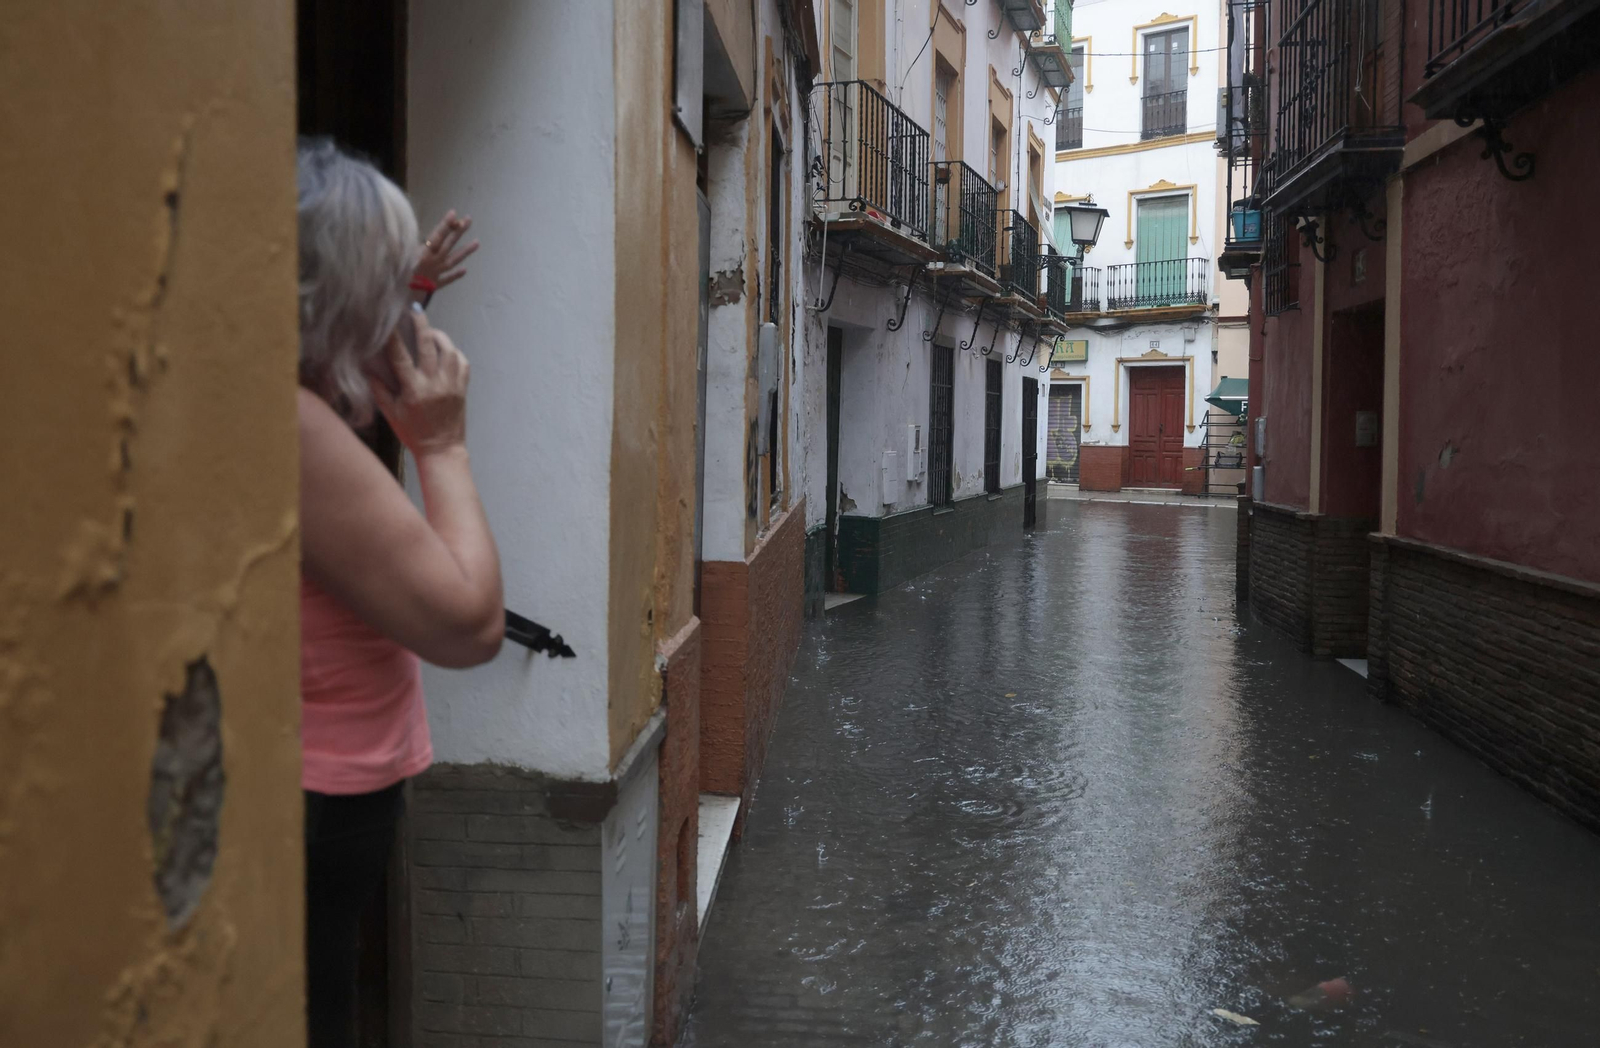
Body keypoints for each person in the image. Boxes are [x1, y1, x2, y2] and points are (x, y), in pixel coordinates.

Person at [295, 137, 499, 1048]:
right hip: (314, 802)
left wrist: (401, 295)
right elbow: (469, 624)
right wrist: (444, 447)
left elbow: (353, 378)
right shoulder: (291, 426)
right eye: (378, 283)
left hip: (325, 797)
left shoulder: (291, 392)